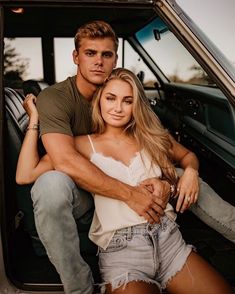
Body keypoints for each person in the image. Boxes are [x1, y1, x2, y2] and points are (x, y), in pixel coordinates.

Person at [16, 19, 235, 293]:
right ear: (76, 57)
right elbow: (35, 171)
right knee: (52, 186)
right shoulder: (72, 126)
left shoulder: (144, 130)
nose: (98, 61)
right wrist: (34, 120)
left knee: (191, 183)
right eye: (90, 53)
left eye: (106, 55)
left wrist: (187, 174)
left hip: (168, 240)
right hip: (118, 241)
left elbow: (184, 155)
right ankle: (79, 288)